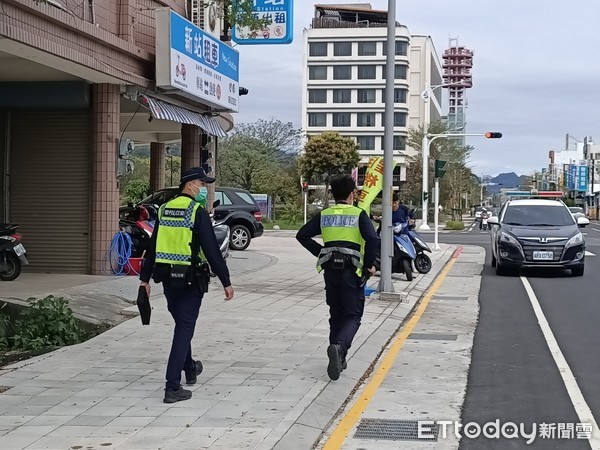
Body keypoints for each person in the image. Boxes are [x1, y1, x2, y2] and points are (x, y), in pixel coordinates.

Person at [139, 167, 234, 403]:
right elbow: (212, 250)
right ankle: (172, 386)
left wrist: (145, 279)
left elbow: (153, 247)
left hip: (167, 279)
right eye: (202, 184)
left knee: (182, 323)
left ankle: (190, 367)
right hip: (191, 279)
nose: (204, 189)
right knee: (184, 328)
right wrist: (226, 281)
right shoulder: (196, 211)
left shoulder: (164, 209)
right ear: (190, 184)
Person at [296, 175, 379, 381]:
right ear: (352, 194)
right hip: (352, 271)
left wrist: (322, 253)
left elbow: (302, 235)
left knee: (336, 313)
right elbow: (372, 238)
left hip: (330, 271)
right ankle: (339, 348)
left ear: (332, 195)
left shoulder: (325, 214)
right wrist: (370, 264)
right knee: (352, 315)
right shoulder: (358, 214)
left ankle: (337, 357)